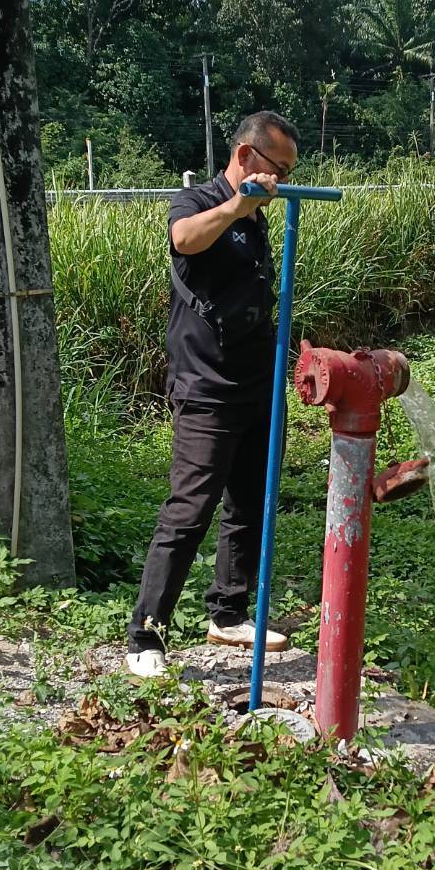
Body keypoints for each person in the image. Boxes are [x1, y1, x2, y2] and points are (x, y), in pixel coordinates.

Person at [126, 110, 299, 677]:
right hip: (205, 386)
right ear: (247, 156)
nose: (283, 179)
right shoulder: (201, 201)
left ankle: (228, 613)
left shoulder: (258, 217)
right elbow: (184, 240)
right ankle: (146, 636)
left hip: (256, 382)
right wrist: (236, 207)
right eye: (280, 167)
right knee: (190, 509)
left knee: (249, 504)